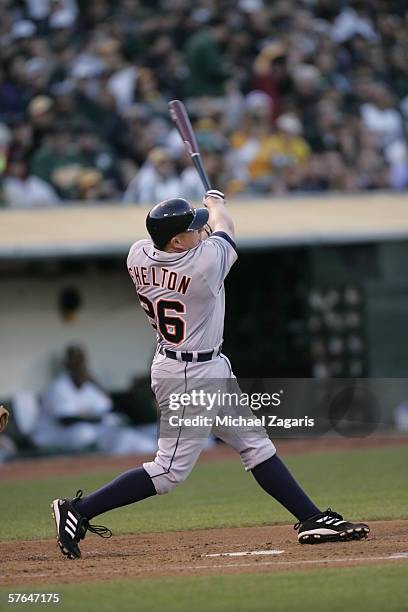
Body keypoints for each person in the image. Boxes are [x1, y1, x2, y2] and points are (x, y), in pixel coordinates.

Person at [51, 192, 369, 559]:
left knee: (255, 444)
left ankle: (310, 518)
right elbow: (225, 227)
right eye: (190, 228)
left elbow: (199, 236)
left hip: (201, 364)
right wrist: (217, 203)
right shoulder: (202, 266)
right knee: (168, 472)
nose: (199, 229)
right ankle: (78, 510)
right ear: (175, 242)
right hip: (188, 374)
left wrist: (202, 222)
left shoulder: (137, 253)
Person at [34, 345, 156, 455]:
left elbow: (107, 406)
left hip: (91, 431)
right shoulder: (59, 387)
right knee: (84, 433)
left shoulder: (88, 386)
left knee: (121, 432)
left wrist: (95, 382)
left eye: (81, 361)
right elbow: (65, 420)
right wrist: (96, 418)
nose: (79, 366)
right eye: (75, 361)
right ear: (67, 364)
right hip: (54, 433)